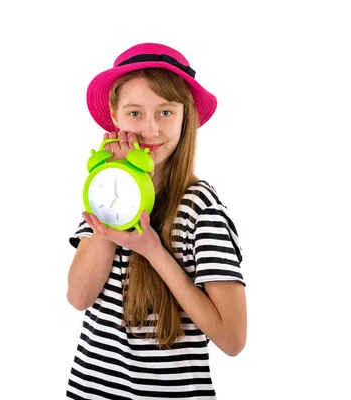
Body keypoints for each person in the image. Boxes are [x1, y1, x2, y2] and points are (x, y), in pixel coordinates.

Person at [65, 42, 247, 400]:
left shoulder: (201, 209)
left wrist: (154, 251)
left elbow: (232, 338)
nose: (150, 129)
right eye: (135, 113)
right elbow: (78, 296)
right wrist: (113, 183)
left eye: (165, 113)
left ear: (186, 118)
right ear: (115, 117)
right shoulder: (105, 193)